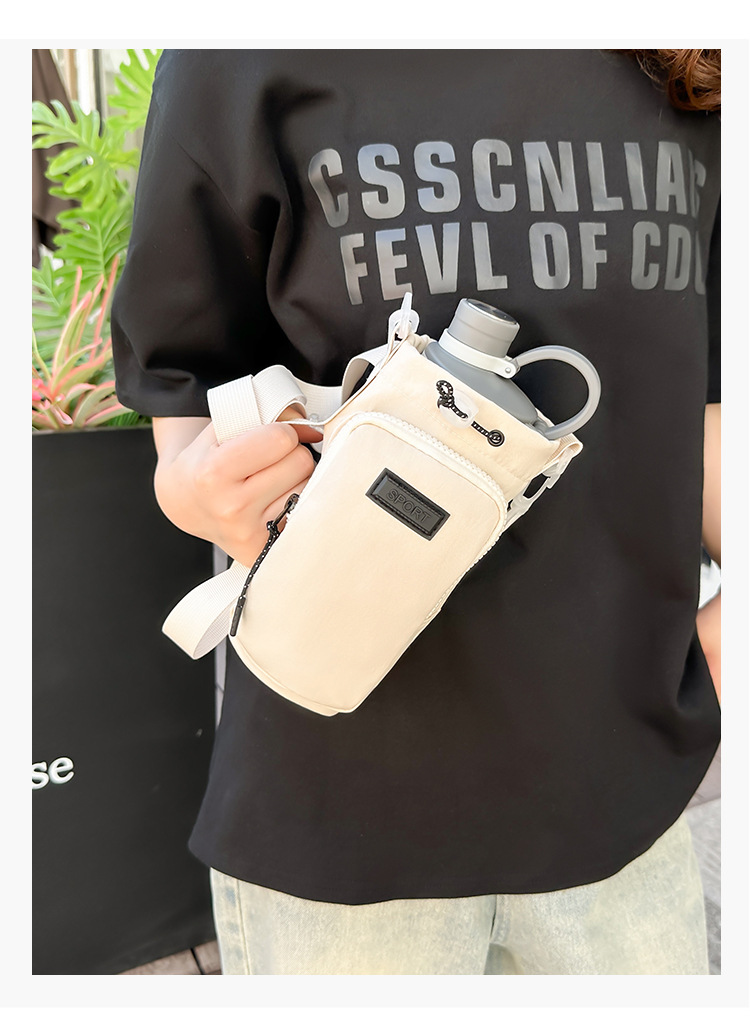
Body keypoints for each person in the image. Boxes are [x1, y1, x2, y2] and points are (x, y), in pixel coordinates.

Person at [110, 48, 721, 975]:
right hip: (334, 809)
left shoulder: (693, 58)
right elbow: (188, 389)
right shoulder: (239, 52)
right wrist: (199, 490)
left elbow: (703, 395)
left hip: (623, 800)